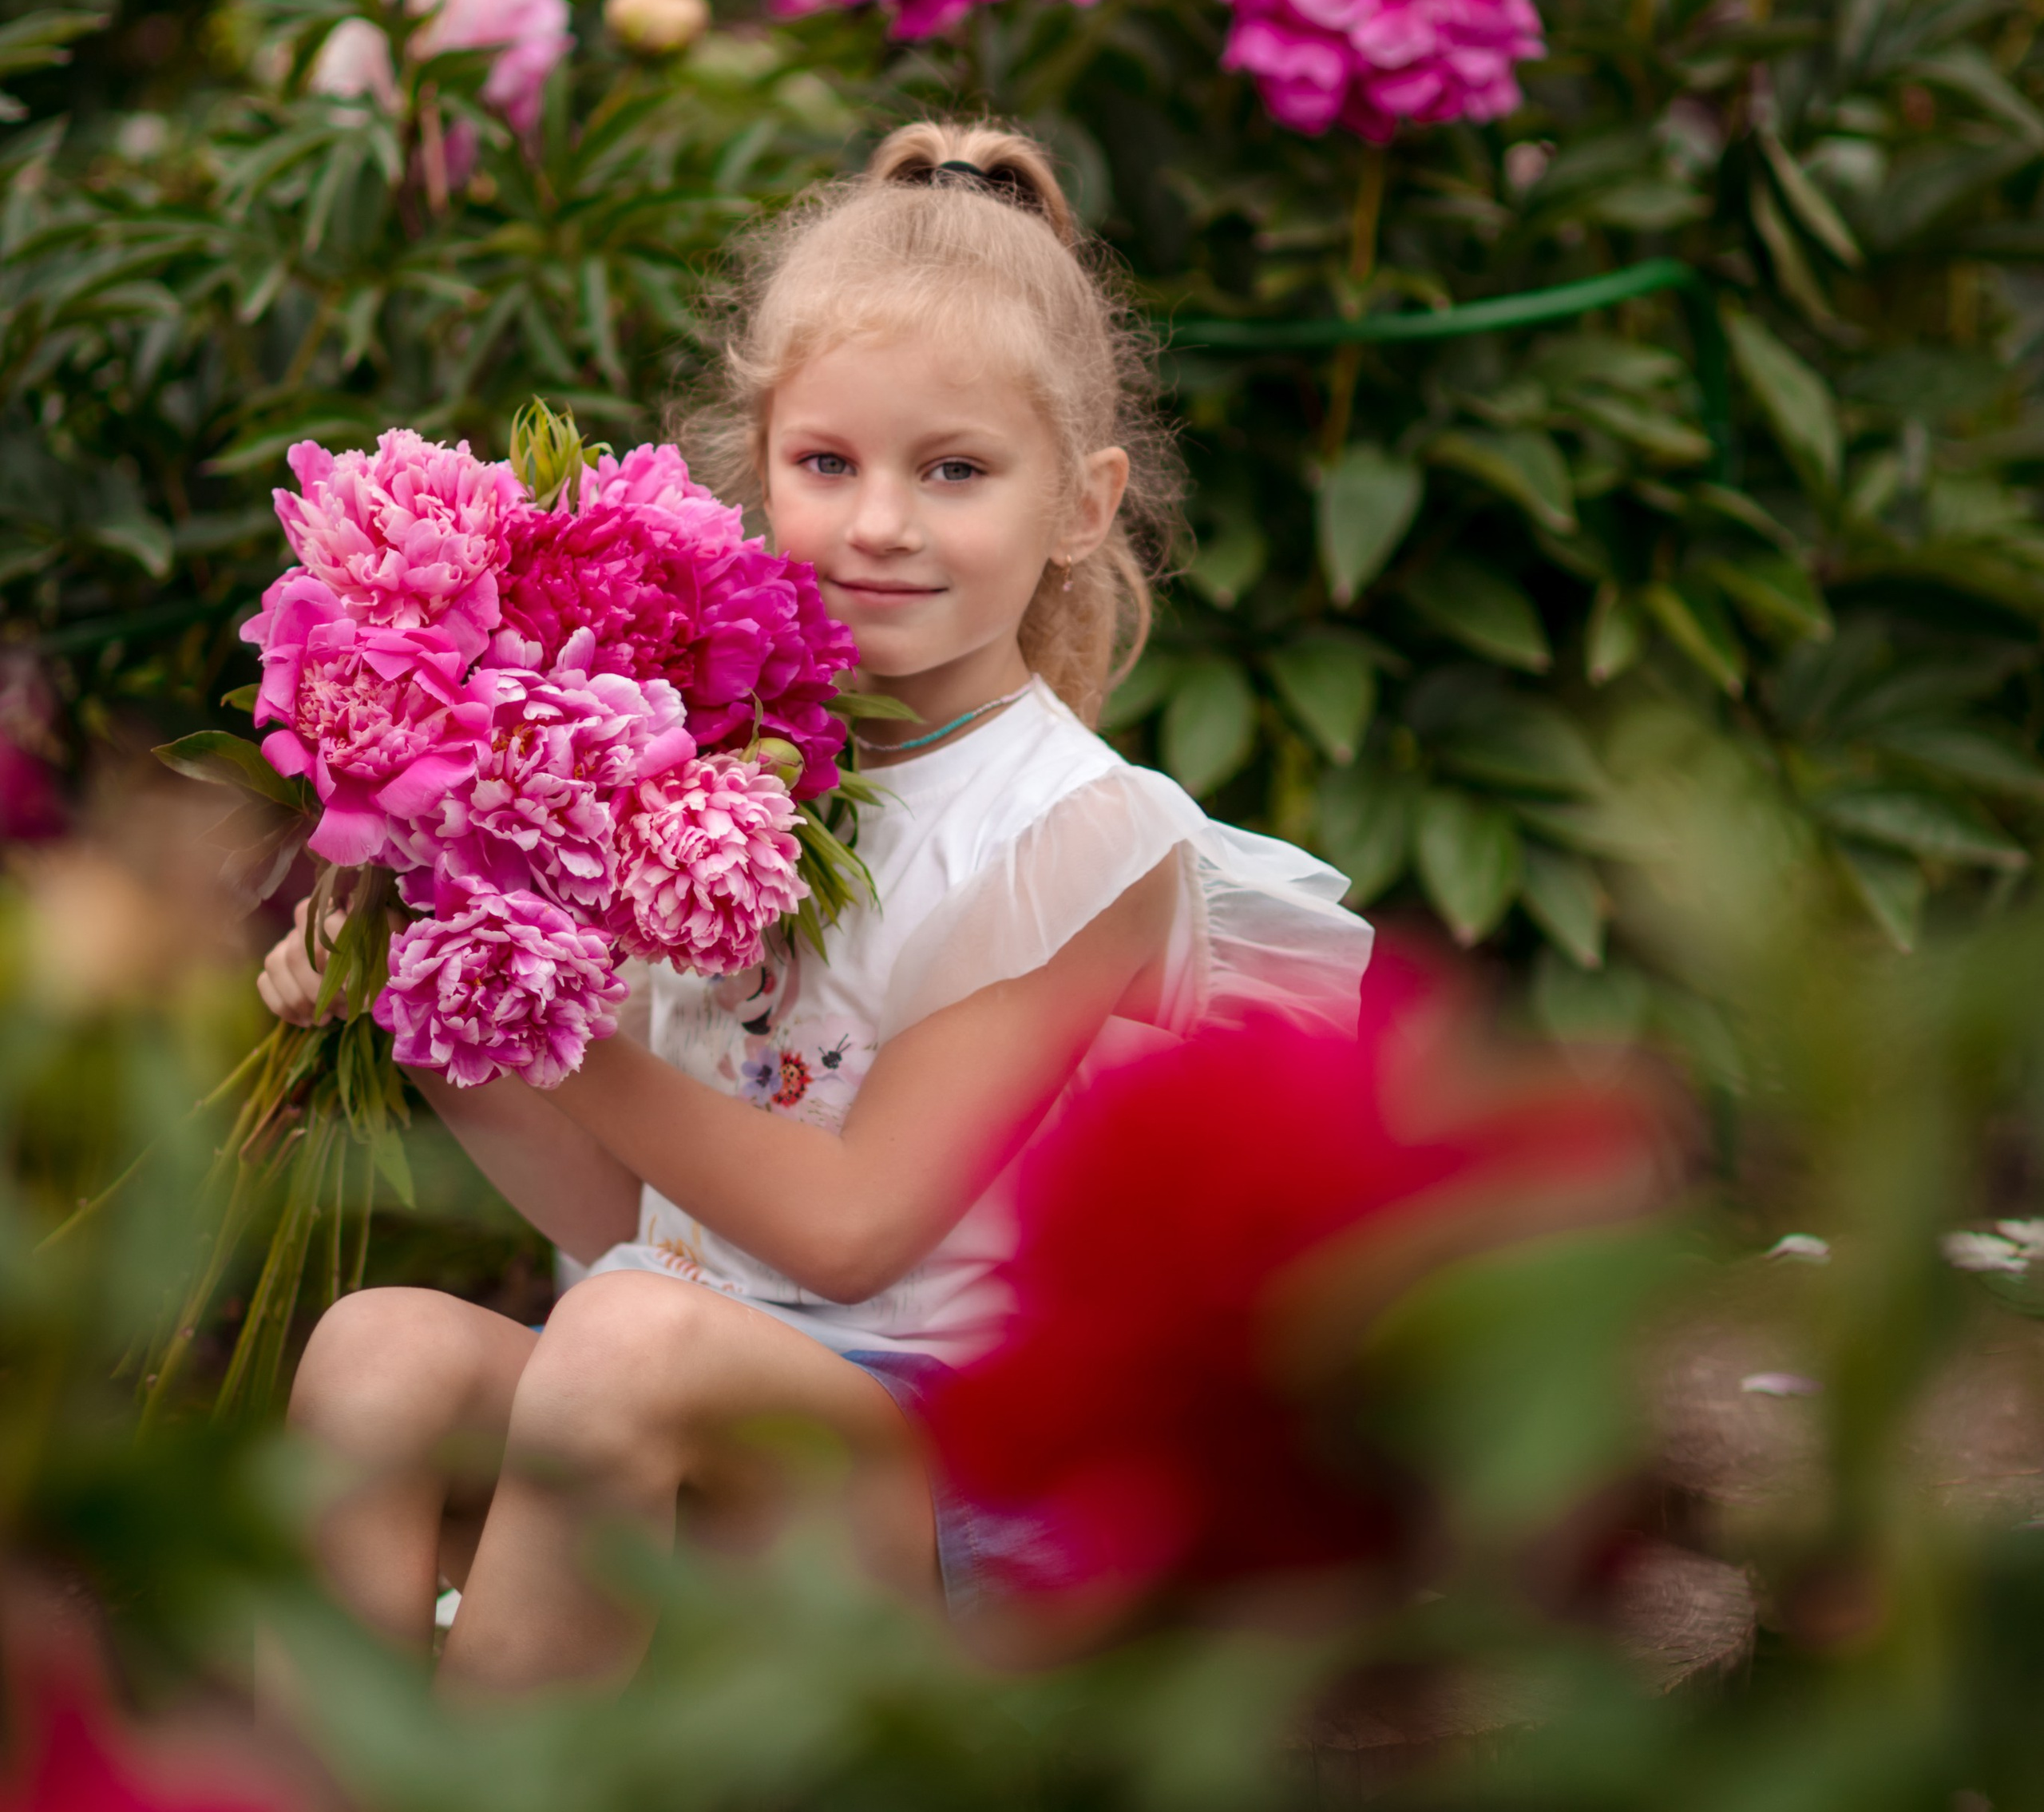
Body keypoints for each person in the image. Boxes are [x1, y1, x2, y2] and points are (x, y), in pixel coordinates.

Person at [263, 120, 1373, 1688]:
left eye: (955, 471)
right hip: (692, 1406)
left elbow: (848, 1238)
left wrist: (552, 1020)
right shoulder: (693, 762)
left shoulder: (1074, 839)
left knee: (627, 1338)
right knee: (381, 1345)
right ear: (760, 462)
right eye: (827, 463)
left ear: (1078, 499)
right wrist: (439, 992)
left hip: (947, 1489)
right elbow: (620, 1217)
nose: (878, 524)